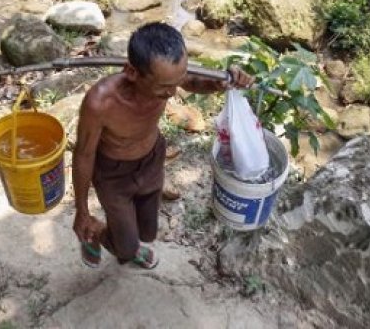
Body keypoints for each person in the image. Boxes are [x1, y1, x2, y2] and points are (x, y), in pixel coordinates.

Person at [72, 22, 254, 269]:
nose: (172, 93)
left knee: (148, 233)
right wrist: (82, 210)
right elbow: (84, 154)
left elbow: (193, 82)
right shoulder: (101, 103)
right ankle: (96, 232)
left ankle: (130, 239)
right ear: (132, 72)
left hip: (151, 161)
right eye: (164, 87)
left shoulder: (169, 78)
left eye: (176, 83)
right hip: (113, 176)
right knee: (126, 249)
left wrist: (221, 82)